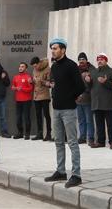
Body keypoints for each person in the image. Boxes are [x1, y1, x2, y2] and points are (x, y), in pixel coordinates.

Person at [43, 38, 86, 188]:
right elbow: (58, 85)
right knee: (58, 141)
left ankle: (76, 175)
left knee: (72, 142)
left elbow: (80, 87)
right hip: (56, 109)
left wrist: (69, 97)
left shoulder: (71, 65)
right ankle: (61, 171)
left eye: (55, 48)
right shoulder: (54, 67)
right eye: (52, 48)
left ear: (63, 50)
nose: (53, 51)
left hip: (68, 110)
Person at [90, 53, 112, 149]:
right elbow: (90, 87)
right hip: (96, 102)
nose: (99, 61)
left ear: (106, 61)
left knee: (110, 124)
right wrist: (87, 81)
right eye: (98, 60)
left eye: (102, 59)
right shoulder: (93, 72)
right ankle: (101, 141)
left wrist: (105, 82)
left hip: (108, 102)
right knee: (99, 124)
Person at [76, 52, 96, 145]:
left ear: (86, 60)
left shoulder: (92, 69)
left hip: (88, 98)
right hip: (78, 99)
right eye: (80, 60)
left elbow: (94, 85)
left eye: (83, 59)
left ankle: (90, 137)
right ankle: (82, 137)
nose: (81, 61)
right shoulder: (76, 70)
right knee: (81, 120)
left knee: (89, 120)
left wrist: (89, 80)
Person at [31, 56, 52, 141]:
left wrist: (41, 81)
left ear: (39, 63)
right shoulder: (34, 70)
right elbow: (34, 80)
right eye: (33, 66)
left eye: (35, 65)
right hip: (36, 95)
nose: (35, 67)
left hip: (45, 95)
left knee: (46, 115)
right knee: (38, 115)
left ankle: (48, 134)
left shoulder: (48, 69)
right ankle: (39, 133)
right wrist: (32, 81)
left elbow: (50, 83)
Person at [11, 62, 34, 140]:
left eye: (22, 67)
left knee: (26, 117)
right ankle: (20, 133)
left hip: (27, 100)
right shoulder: (15, 77)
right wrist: (15, 88)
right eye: (20, 66)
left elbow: (31, 88)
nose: (20, 68)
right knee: (18, 117)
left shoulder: (28, 77)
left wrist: (22, 89)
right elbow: (13, 86)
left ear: (26, 68)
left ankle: (27, 133)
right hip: (18, 100)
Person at [0, 64, 12, 138]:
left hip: (1, 98)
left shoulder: (4, 72)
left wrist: (3, 78)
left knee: (2, 116)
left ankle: (4, 132)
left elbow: (7, 83)